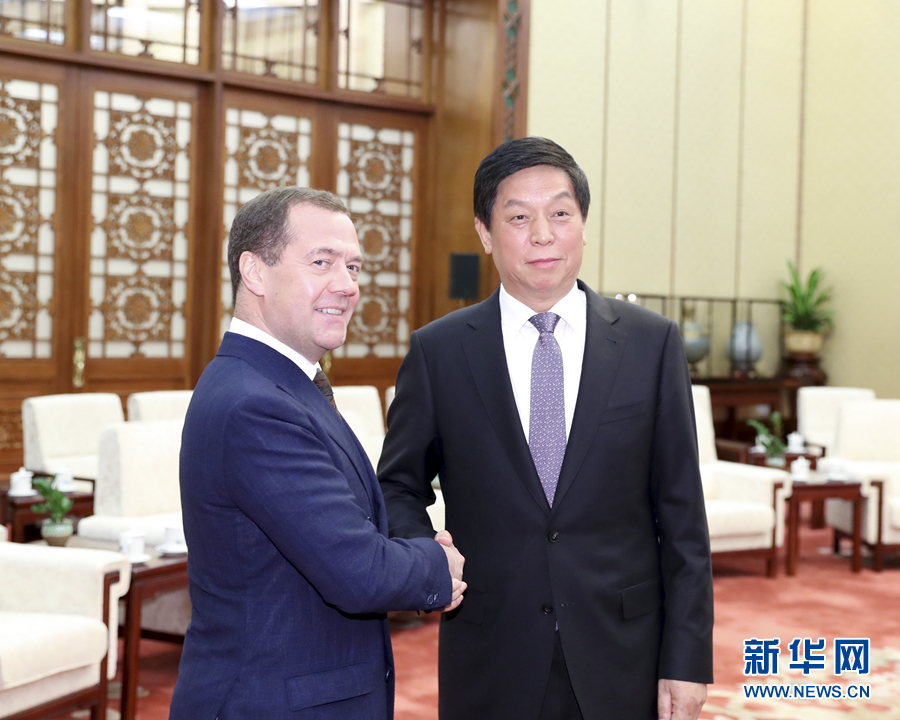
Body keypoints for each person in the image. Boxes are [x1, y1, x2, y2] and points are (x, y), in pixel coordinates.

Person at [378, 137, 713, 720]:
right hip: (490, 650)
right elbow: (397, 486)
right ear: (485, 233)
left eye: (560, 213)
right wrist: (427, 554)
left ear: (583, 225)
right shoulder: (440, 351)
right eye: (518, 217)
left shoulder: (651, 343)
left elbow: (683, 516)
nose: (542, 235)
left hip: (623, 653)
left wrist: (687, 659)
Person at [170, 187, 465, 720]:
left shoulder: (283, 385)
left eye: (353, 267)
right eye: (321, 262)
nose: (347, 285)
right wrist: (436, 564)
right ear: (255, 272)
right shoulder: (255, 404)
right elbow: (359, 572)